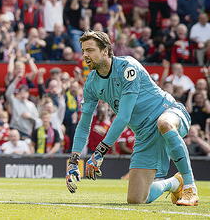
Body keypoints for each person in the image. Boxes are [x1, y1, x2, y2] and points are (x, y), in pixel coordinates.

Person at [66, 30, 199, 206]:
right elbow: (84, 124)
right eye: (83, 50)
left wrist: (100, 152)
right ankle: (175, 183)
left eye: (90, 50)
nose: (85, 55)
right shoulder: (91, 82)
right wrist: (73, 161)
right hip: (144, 135)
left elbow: (123, 116)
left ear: (105, 50)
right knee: (136, 199)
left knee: (164, 123)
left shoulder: (128, 67)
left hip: (168, 111)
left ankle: (190, 187)